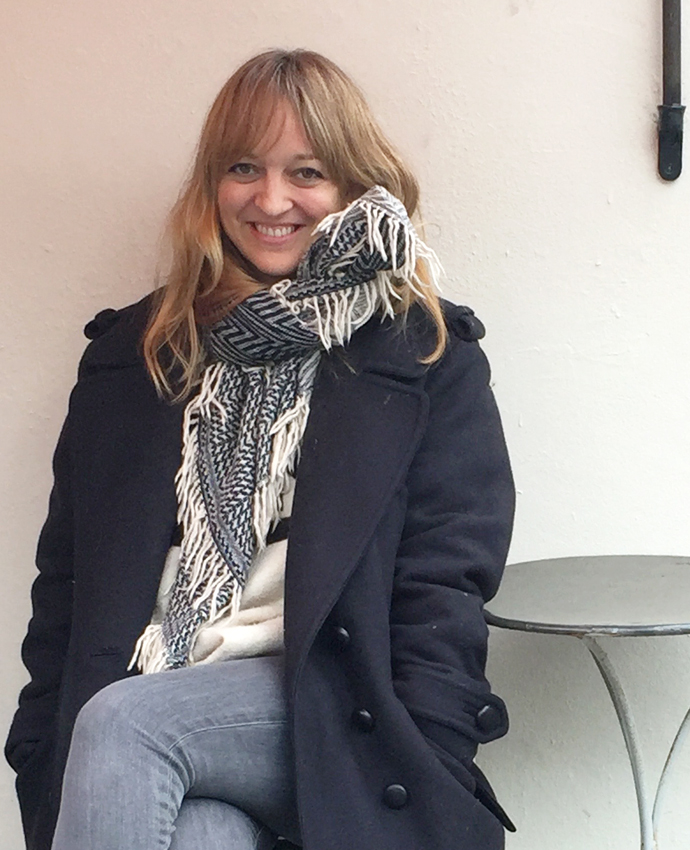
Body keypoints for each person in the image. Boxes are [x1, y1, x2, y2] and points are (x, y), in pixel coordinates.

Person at [5, 49, 515, 850]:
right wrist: (38, 751)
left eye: (306, 172)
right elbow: (65, 583)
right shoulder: (136, 358)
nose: (271, 200)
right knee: (201, 832)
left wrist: (433, 748)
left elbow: (444, 584)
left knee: (126, 723)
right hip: (157, 686)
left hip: (334, 709)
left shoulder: (421, 356)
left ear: (352, 185)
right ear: (213, 183)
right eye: (244, 167)